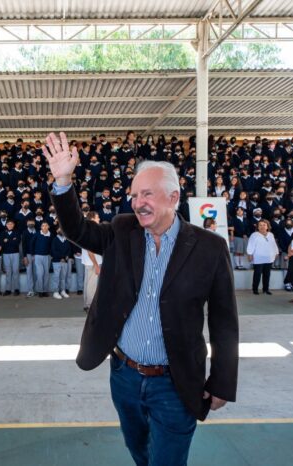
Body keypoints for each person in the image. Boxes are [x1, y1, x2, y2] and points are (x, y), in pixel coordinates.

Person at [45, 132, 238, 465]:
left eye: (147, 193)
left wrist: (222, 380)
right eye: (134, 195)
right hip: (125, 376)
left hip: (176, 382)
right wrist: (63, 180)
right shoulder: (123, 230)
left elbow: (224, 320)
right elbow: (78, 230)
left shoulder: (209, 247)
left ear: (174, 196)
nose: (138, 203)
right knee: (139, 451)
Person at [246, 220, 278, 295]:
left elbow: (274, 245)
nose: (262, 226)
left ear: (267, 226)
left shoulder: (271, 234)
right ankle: (255, 289)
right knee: (257, 274)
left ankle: (266, 289)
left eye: (264, 225)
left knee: (267, 274)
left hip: (268, 258)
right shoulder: (254, 235)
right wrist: (250, 255)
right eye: (260, 225)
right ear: (257, 226)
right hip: (258, 258)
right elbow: (250, 245)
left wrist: (276, 252)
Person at [81, 212, 102, 312]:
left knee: (87, 284)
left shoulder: (87, 230)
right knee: (92, 285)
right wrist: (96, 265)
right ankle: (90, 305)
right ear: (92, 219)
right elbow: (90, 251)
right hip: (93, 262)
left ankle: (86, 304)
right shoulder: (90, 231)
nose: (99, 219)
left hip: (89, 262)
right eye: (97, 217)